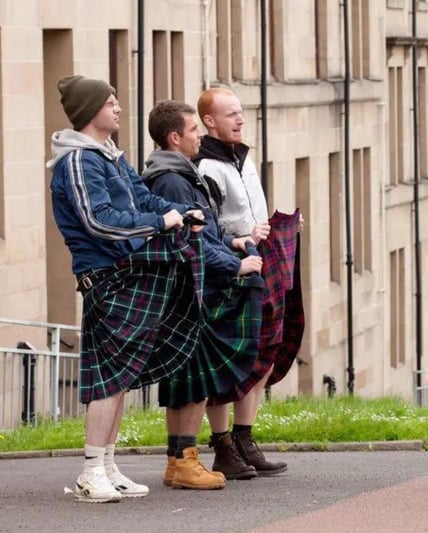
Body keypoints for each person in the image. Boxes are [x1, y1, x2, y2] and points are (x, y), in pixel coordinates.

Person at [47, 76, 206, 503]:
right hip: (104, 275)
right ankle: (91, 471)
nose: (118, 107)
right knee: (109, 379)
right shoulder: (79, 161)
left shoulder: (109, 156)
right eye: (109, 102)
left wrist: (178, 211)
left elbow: (141, 198)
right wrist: (161, 223)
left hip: (124, 271)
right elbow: (97, 220)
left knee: (119, 377)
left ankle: (109, 466)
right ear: (89, 111)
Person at [143, 100, 267, 488]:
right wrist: (235, 264)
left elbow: (205, 233)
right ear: (174, 137)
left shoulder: (178, 173)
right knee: (193, 381)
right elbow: (188, 240)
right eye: (194, 130)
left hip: (192, 284)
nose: (201, 136)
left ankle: (181, 459)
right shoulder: (173, 179)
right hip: (191, 288)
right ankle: (184, 460)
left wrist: (232, 242)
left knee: (187, 381)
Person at [194, 87, 293, 479]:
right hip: (228, 265)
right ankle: (222, 445)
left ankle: (245, 438)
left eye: (240, 112)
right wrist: (242, 234)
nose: (239, 119)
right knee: (226, 358)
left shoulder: (243, 158)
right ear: (209, 121)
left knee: (264, 348)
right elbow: (210, 226)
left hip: (259, 259)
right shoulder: (206, 168)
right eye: (230, 114)